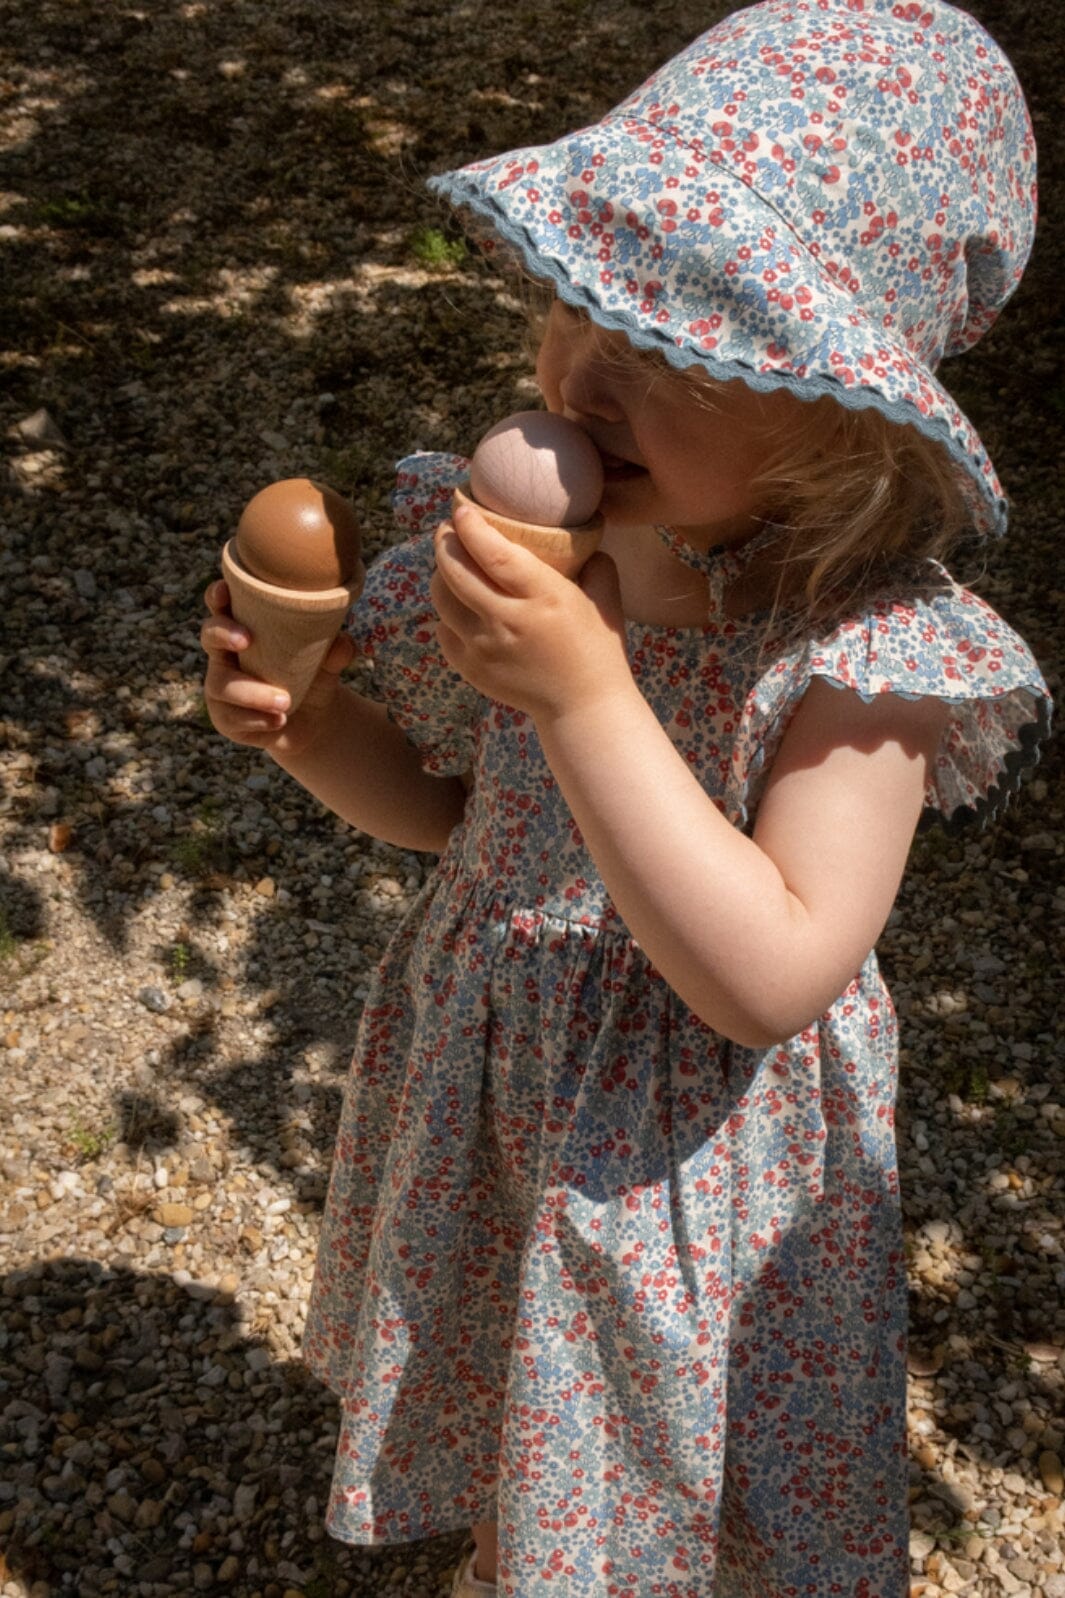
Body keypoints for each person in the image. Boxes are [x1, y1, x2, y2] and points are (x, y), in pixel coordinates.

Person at [200, 1, 1051, 1592]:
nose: (586, 369)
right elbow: (469, 824)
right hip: (511, 1094)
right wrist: (309, 731)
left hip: (690, 1171)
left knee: (688, 1472)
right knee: (540, 1414)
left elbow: (766, 975)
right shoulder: (574, 559)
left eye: (674, 341)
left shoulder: (864, 663)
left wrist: (588, 694)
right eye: (577, 302)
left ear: (841, 412)